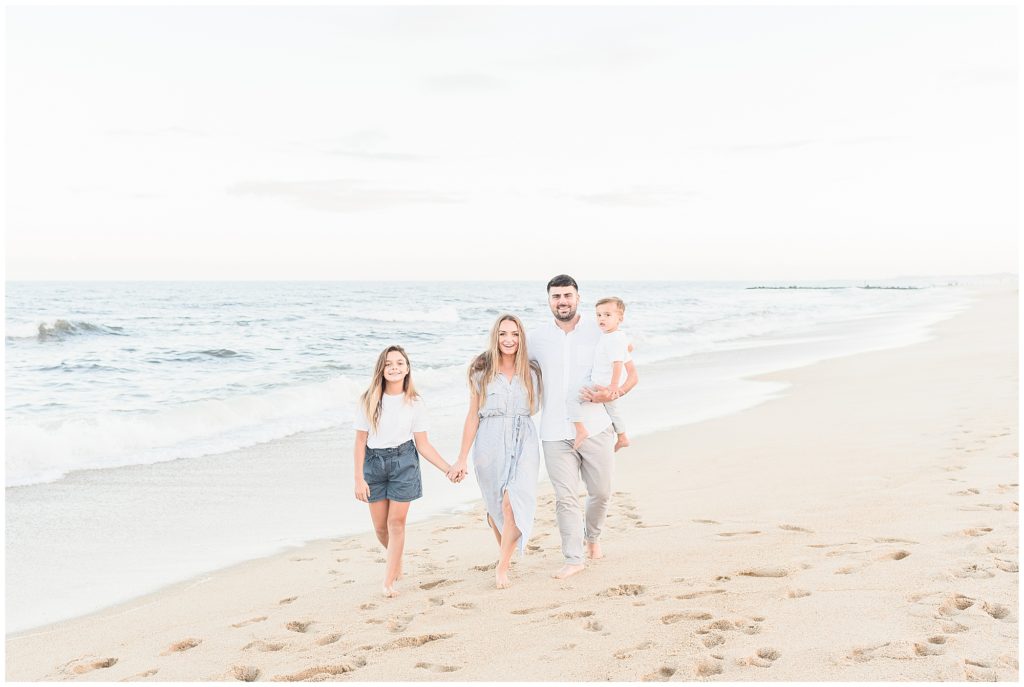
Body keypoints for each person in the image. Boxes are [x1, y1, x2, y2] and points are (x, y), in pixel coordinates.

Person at [529, 275, 639, 579]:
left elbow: (631, 375)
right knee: (565, 499)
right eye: (556, 296)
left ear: (578, 297)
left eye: (567, 295)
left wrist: (612, 393)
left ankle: (593, 538)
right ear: (549, 300)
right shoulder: (536, 337)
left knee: (601, 492)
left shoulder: (602, 330)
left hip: (596, 426)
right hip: (553, 432)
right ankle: (574, 558)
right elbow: (510, 363)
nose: (562, 301)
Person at [353, 345, 454, 597]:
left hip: (404, 462)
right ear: (381, 369)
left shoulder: (415, 402)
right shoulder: (369, 399)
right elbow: (359, 443)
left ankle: (388, 581)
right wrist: (358, 479)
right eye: (389, 364)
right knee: (380, 528)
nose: (394, 367)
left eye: (400, 363)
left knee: (395, 523)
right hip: (373, 465)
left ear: (407, 368)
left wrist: (448, 468)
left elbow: (423, 444)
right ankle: (396, 559)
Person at [449, 314, 542, 589]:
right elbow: (472, 415)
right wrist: (461, 457)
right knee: (495, 506)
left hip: (524, 438)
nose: (509, 339)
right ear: (495, 336)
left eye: (514, 334)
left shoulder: (533, 371)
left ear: (521, 337)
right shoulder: (481, 370)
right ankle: (505, 551)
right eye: (503, 334)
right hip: (489, 440)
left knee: (513, 502)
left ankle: (502, 567)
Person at [567, 296, 634, 452]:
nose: (602, 319)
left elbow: (617, 364)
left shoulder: (612, 339)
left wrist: (613, 386)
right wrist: (628, 348)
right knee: (613, 411)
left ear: (620, 318)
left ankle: (580, 430)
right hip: (603, 382)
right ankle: (622, 436)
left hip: (601, 383)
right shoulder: (617, 336)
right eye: (599, 315)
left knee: (571, 399)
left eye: (607, 315)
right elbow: (628, 348)